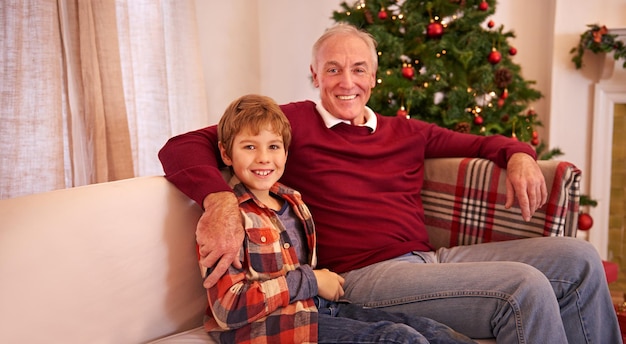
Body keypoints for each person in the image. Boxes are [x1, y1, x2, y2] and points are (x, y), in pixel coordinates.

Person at [159, 24, 621, 343]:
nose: (346, 81)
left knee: (578, 257)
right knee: (524, 287)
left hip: (432, 259)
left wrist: (517, 153)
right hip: (364, 276)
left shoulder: (406, 130)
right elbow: (181, 145)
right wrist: (218, 200)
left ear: (374, 77)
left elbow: (483, 143)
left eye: (358, 69)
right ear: (314, 75)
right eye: (333, 69)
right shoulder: (288, 123)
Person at [204, 93, 476, 343]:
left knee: (434, 331)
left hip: (314, 310)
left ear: (286, 152)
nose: (264, 158)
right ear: (226, 153)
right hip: (266, 328)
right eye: (249, 147)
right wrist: (312, 280)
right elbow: (229, 310)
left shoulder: (293, 202)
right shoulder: (226, 220)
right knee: (399, 339)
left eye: (273, 146)